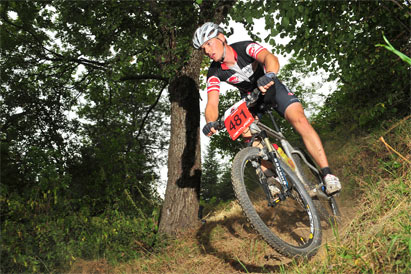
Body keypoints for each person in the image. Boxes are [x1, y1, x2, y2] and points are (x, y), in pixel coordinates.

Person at [193, 22, 341, 195]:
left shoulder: (245, 47)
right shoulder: (214, 72)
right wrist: (210, 122)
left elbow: (269, 58)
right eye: (203, 49)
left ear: (221, 38)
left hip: (271, 87)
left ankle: (327, 175)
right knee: (245, 131)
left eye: (209, 43)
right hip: (252, 100)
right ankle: (274, 176)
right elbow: (212, 103)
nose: (207, 51)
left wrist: (270, 74)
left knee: (299, 120)